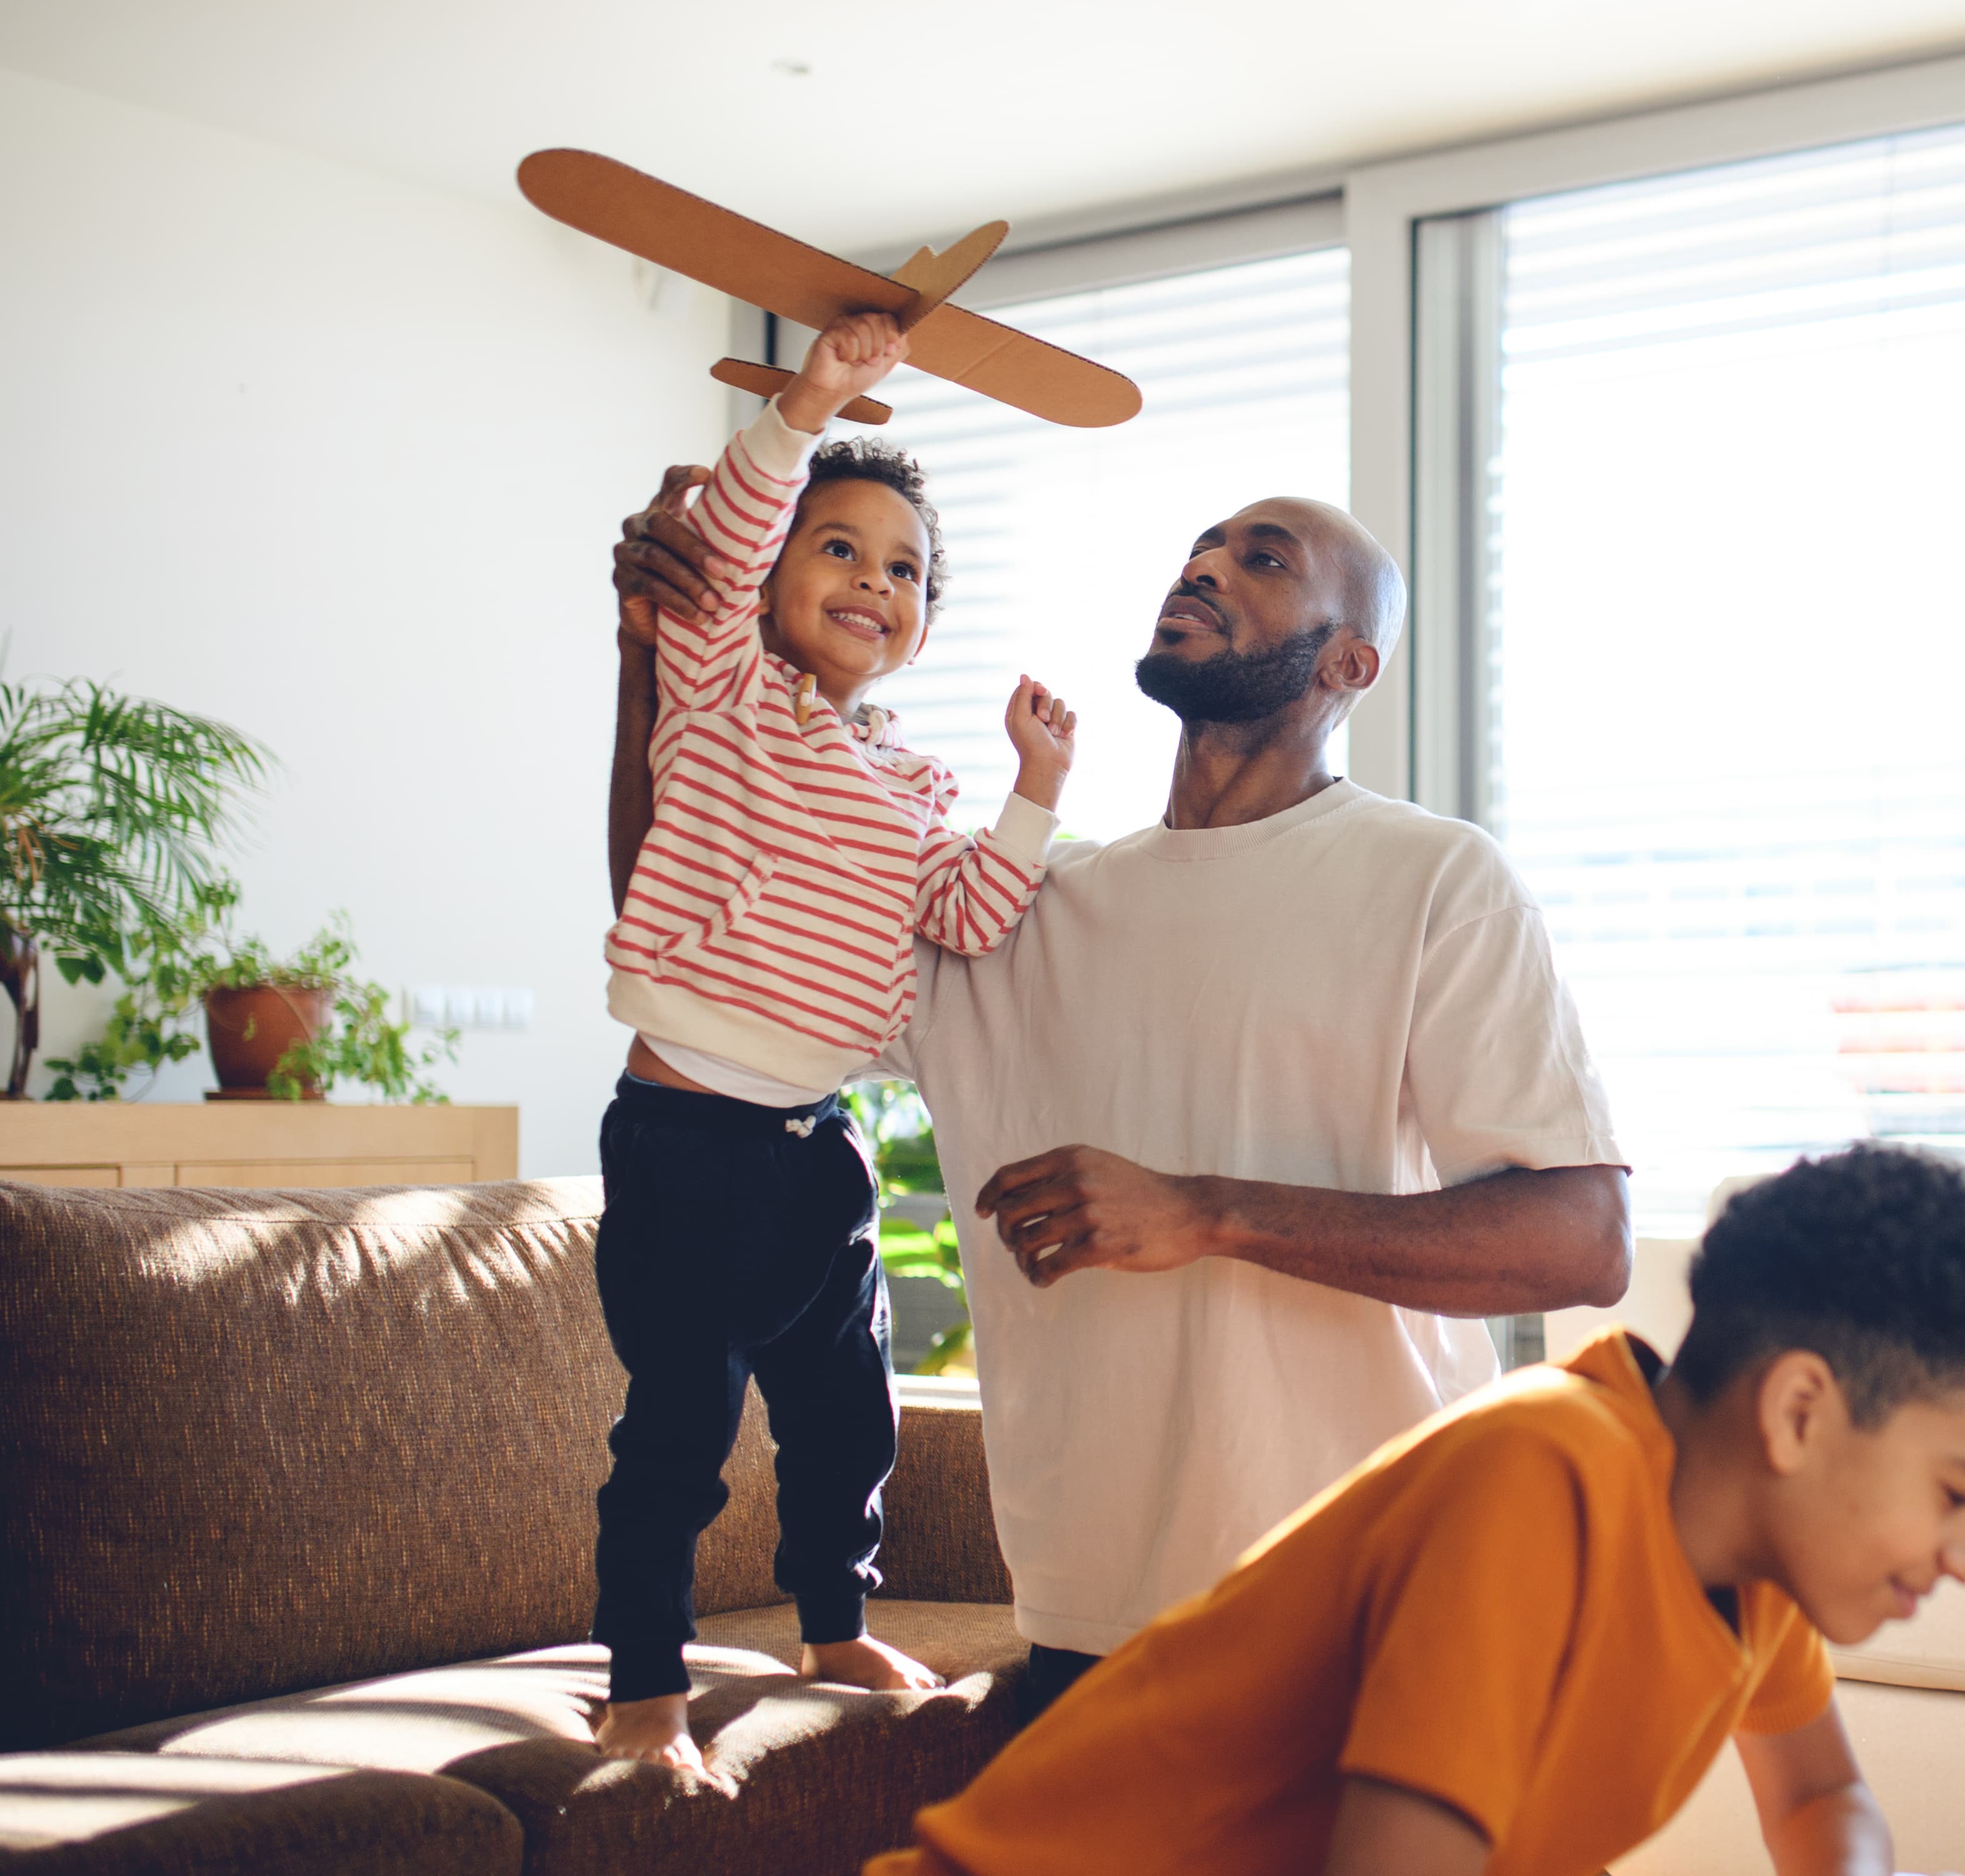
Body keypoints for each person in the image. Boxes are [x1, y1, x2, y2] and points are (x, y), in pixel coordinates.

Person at [610, 479, 1628, 1718]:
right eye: (1201, 547)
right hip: (1089, 1628)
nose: (1205, 567)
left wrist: (1208, 1212)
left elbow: (1581, 1240)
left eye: (1263, 559)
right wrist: (647, 656)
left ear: (1351, 660)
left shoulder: (1434, 878)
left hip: (1367, 1603)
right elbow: (694, 923)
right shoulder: (1035, 909)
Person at [824, 1146, 1965, 1876]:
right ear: (1799, 1410)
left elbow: (1819, 1799)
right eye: (1960, 1490)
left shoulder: (1762, 1561)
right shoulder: (1537, 1477)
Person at [591, 311, 1081, 1778]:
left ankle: (831, 1619)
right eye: (842, 550)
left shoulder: (909, 777)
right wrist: (810, 402)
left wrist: (1032, 789)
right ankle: (642, 1685)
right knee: (680, 1429)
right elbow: (733, 536)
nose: (877, 581)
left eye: (908, 569)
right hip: (684, 1140)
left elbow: (972, 914)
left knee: (844, 1408)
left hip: (819, 1149)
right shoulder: (722, 691)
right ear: (769, 584)